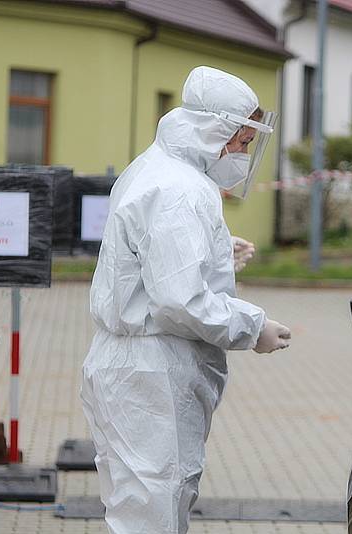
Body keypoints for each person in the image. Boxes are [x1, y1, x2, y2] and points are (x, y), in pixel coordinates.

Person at [81, 66, 291, 534]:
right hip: (152, 372)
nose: (241, 155)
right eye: (240, 143)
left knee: (142, 505)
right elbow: (180, 302)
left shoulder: (154, 168)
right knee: (153, 513)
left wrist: (214, 249)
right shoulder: (181, 190)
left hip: (131, 366)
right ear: (214, 131)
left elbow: (140, 259)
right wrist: (253, 327)